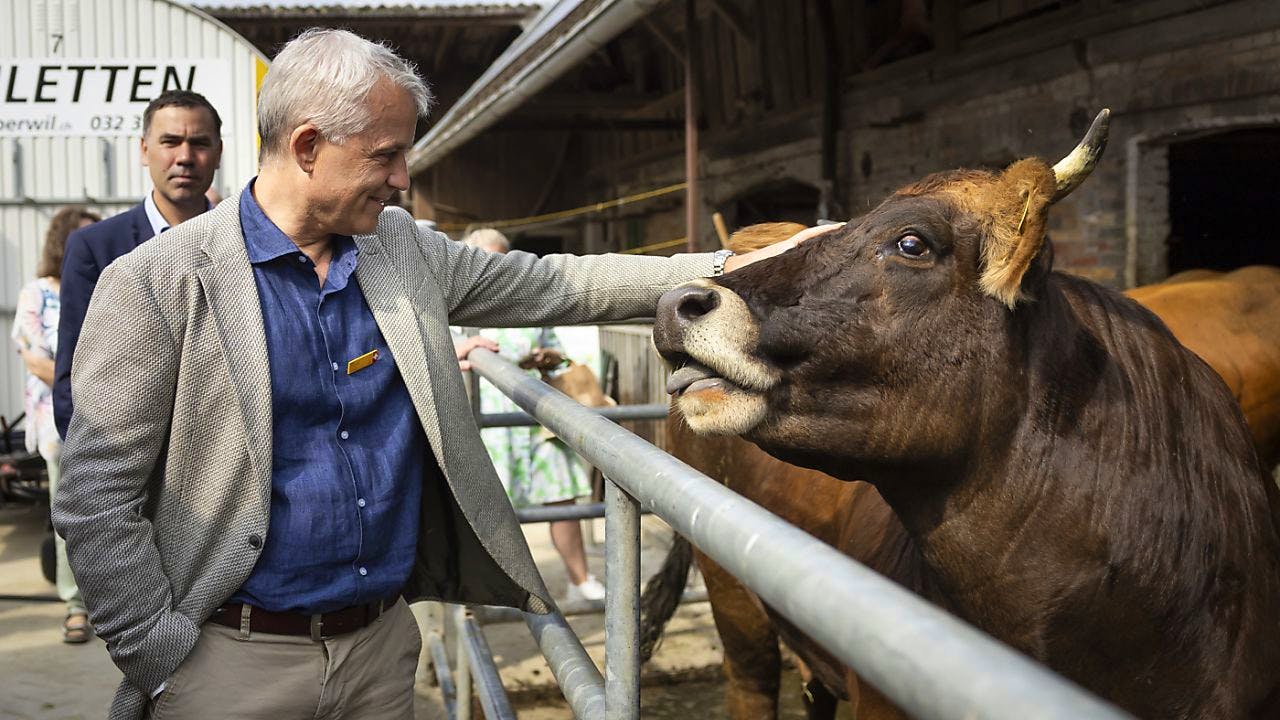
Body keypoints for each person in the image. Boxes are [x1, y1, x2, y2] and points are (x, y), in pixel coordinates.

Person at [52, 28, 831, 720]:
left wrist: (740, 265)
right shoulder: (155, 283)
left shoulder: (400, 250)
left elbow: (558, 283)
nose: (402, 178)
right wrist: (160, 656)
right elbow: (96, 494)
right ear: (308, 146)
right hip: (231, 664)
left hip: (379, 653)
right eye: (385, 155)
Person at [52, 89, 223, 438]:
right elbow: (73, 376)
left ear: (219, 153)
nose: (185, 157)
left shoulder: (245, 244)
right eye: (170, 142)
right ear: (144, 150)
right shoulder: (96, 248)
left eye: (200, 143)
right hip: (126, 451)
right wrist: (95, 461)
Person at [461, 228, 606, 603]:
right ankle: (495, 591)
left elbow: (557, 356)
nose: (495, 268)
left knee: (561, 498)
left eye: (501, 260)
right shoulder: (458, 306)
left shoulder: (525, 305)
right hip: (487, 420)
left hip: (536, 415)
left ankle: (579, 579)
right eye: (486, 260)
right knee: (489, 507)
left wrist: (548, 357)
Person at [10, 206, 100, 643]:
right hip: (60, 421)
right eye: (84, 237)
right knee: (70, 514)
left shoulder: (108, 285)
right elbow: (39, 361)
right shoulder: (37, 295)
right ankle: (75, 604)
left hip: (112, 414)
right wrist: (93, 387)